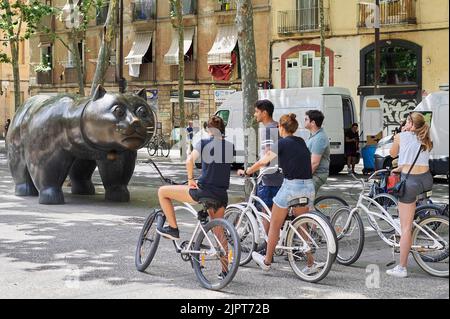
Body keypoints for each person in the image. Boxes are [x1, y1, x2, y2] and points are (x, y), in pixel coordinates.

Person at [240, 114, 320, 274]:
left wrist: (248, 171)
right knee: (301, 225)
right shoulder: (301, 141)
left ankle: (267, 261)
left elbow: (264, 161)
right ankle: (311, 263)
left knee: (275, 225)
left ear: (281, 128)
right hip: (308, 186)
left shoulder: (281, 143)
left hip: (292, 187)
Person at [157, 115, 234, 241]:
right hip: (221, 194)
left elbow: (189, 161)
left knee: (162, 192)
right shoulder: (230, 147)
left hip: (204, 191)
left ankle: (173, 229)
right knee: (219, 233)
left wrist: (191, 179)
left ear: (209, 130)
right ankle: (228, 260)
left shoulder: (204, 143)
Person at [387, 112, 433, 278]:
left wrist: (400, 132)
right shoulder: (426, 138)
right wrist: (401, 167)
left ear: (410, 123)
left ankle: (401, 267)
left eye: (407, 121)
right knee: (410, 219)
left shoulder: (401, 136)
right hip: (426, 179)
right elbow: (416, 158)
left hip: (411, 182)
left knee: (405, 227)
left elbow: (392, 154)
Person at [237, 100, 283, 247]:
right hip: (281, 176)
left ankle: (266, 245)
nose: (254, 114)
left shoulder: (268, 130)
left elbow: (267, 158)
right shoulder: (278, 127)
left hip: (269, 177)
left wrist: (248, 171)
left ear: (264, 112)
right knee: (276, 212)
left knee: (266, 212)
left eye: (257, 111)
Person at [304, 110, 330, 194]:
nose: (304, 121)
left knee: (305, 202)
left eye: (306, 119)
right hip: (313, 173)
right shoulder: (314, 136)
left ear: (313, 122)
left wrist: (304, 177)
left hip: (316, 175)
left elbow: (314, 163)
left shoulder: (319, 138)